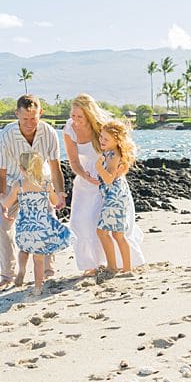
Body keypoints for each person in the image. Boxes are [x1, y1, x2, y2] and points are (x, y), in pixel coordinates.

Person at [63, 94, 145, 276]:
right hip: (86, 181)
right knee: (80, 221)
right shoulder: (69, 129)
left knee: (107, 226)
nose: (75, 120)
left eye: (80, 117)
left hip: (108, 183)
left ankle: (120, 264)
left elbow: (122, 151)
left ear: (89, 115)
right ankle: (91, 264)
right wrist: (85, 176)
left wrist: (118, 172)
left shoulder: (102, 128)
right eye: (73, 115)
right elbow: (74, 161)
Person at [0, 95, 65, 289]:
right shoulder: (6, 135)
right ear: (17, 114)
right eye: (24, 118)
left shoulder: (49, 133)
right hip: (12, 183)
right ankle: (7, 276)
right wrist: (2, 199)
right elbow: (0, 173)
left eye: (33, 118)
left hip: (41, 183)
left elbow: (55, 167)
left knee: (49, 222)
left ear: (40, 113)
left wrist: (59, 194)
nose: (29, 123)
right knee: (3, 226)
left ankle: (48, 271)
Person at [0, 152, 73, 295]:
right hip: (41, 227)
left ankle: (21, 271)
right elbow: (54, 202)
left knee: (23, 250)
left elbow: (8, 204)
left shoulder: (18, 185)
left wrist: (2, 198)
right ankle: (38, 288)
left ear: (21, 168)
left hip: (25, 226)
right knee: (39, 259)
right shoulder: (46, 184)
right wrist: (59, 196)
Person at [95, 119, 142, 275]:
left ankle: (113, 266)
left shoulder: (114, 155)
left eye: (106, 139)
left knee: (103, 232)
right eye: (101, 137)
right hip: (115, 196)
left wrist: (98, 168)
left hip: (114, 197)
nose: (101, 140)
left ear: (117, 140)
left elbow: (109, 179)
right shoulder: (110, 152)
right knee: (117, 234)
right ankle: (126, 267)